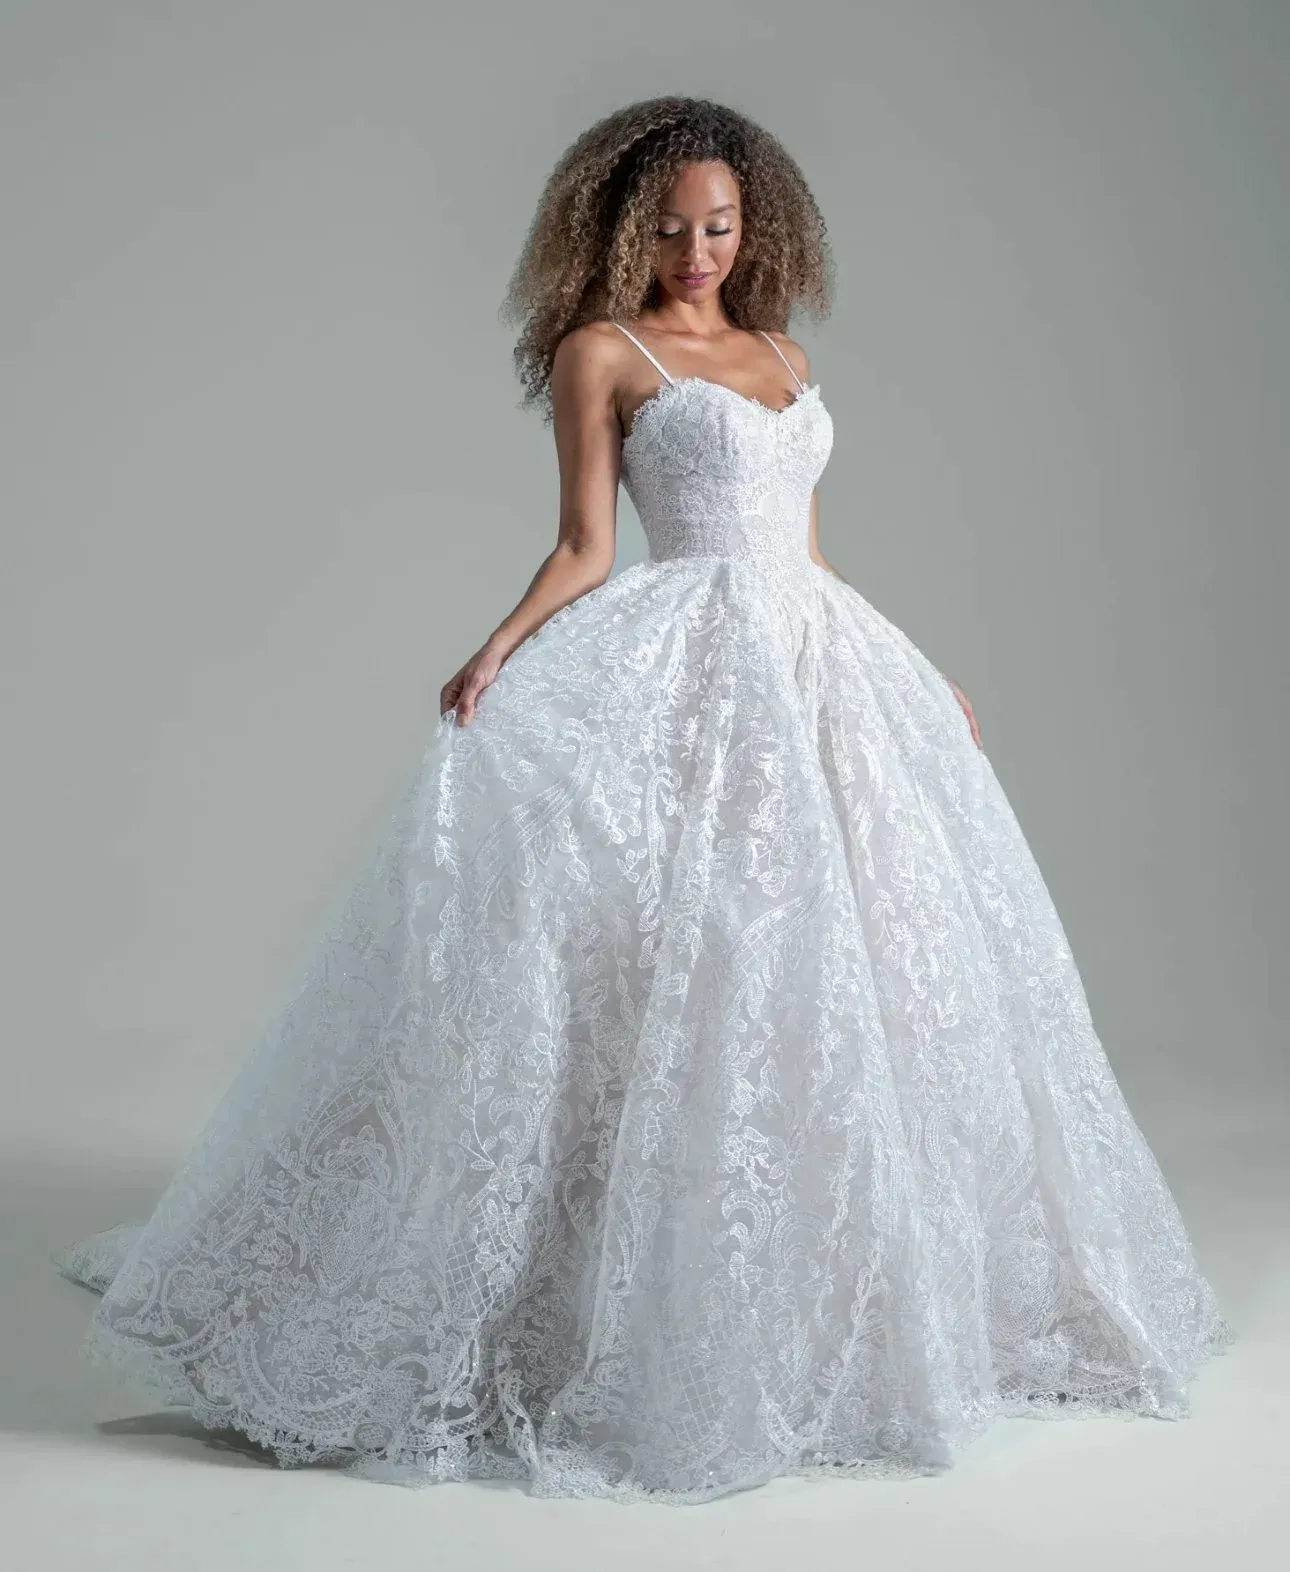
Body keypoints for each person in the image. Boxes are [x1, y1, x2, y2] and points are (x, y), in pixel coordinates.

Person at [55, 95, 1231, 1506]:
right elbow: (581, 545)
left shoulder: (785, 355)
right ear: (622, 229)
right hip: (684, 669)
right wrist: (495, 650)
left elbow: (807, 554)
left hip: (817, 675)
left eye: (720, 225)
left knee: (834, 969)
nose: (695, 249)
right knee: (667, 956)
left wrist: (922, 676)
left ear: (759, 224)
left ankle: (823, 1284)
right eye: (670, 227)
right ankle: (592, 1283)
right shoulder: (598, 353)